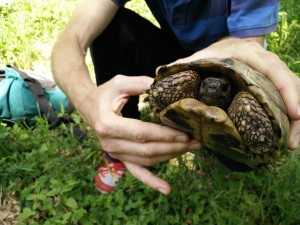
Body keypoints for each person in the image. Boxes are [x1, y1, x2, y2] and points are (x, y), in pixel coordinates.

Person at [51, 0, 300, 195]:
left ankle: (247, 144)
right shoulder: (190, 82)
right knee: (111, 29)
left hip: (239, 58)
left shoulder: (239, 98)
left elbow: (248, 46)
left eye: (219, 90)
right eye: (209, 89)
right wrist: (87, 100)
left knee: (243, 159)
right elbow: (71, 37)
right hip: (183, 66)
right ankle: (121, 136)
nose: (213, 92)